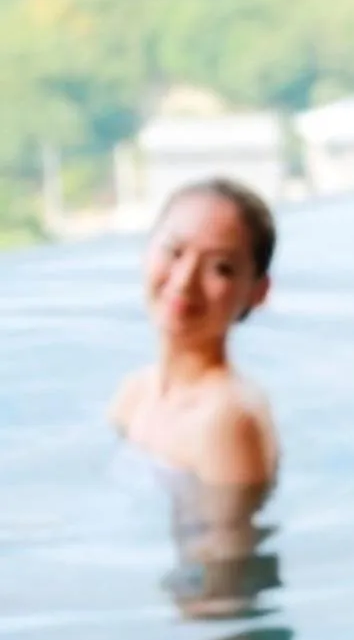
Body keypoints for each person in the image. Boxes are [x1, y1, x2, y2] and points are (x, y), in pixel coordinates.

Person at [109, 177, 280, 491]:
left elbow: (229, 540)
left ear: (258, 291)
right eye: (174, 251)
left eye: (221, 268)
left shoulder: (227, 421)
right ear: (145, 251)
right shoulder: (134, 394)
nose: (185, 281)